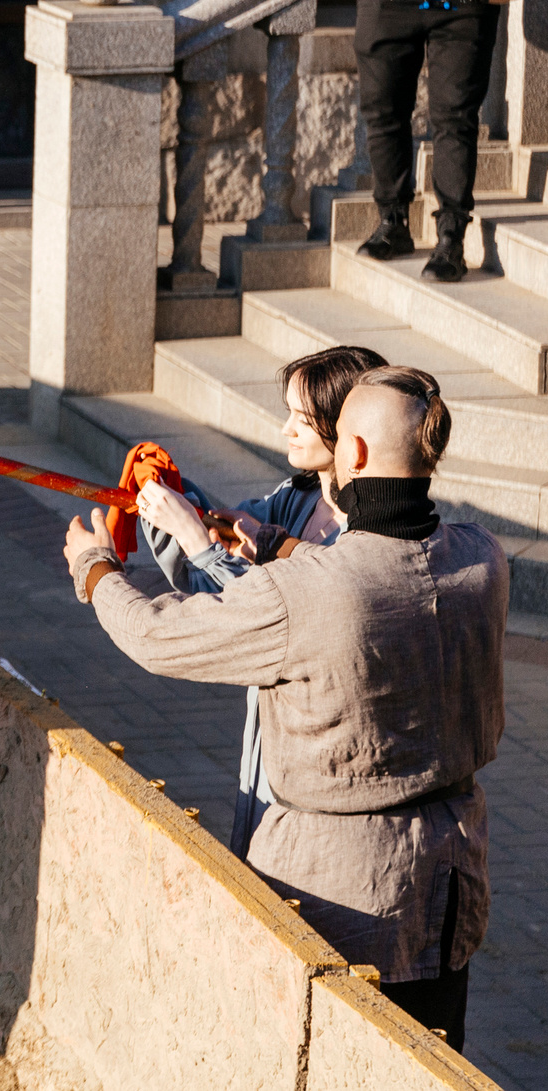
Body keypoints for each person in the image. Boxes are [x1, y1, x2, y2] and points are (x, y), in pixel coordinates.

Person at [64, 367, 506, 1046]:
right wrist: (274, 542)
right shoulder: (482, 559)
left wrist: (97, 568)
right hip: (449, 886)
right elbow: (390, 566)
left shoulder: (307, 593)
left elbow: (156, 635)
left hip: (338, 898)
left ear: (351, 454)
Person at [132, 343, 385, 856]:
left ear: (346, 429)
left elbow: (263, 613)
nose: (286, 430)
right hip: (268, 732)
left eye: (303, 419)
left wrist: (195, 538)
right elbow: (226, 542)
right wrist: (175, 497)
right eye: (287, 413)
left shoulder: (363, 539)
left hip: (320, 747)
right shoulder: (297, 497)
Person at [351, 0, 536, 283]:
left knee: (455, 114)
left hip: (467, 1)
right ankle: (392, 223)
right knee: (384, 105)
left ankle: (451, 239)